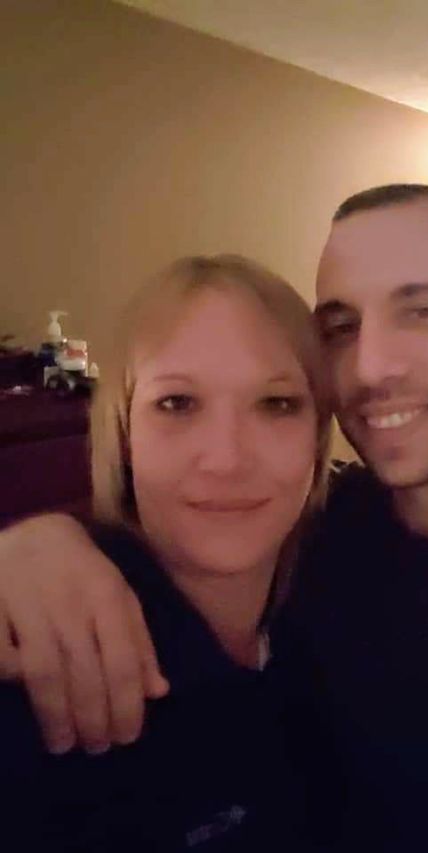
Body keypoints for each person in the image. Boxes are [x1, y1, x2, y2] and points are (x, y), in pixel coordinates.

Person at [2, 184, 428, 851]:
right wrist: (38, 544)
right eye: (341, 328)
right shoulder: (311, 536)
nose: (372, 366)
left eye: (423, 311)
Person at [0, 254, 337, 851]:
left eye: (276, 404)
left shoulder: (343, 578)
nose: (226, 459)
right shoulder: (49, 668)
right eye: (177, 403)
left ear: (318, 435)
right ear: (124, 434)